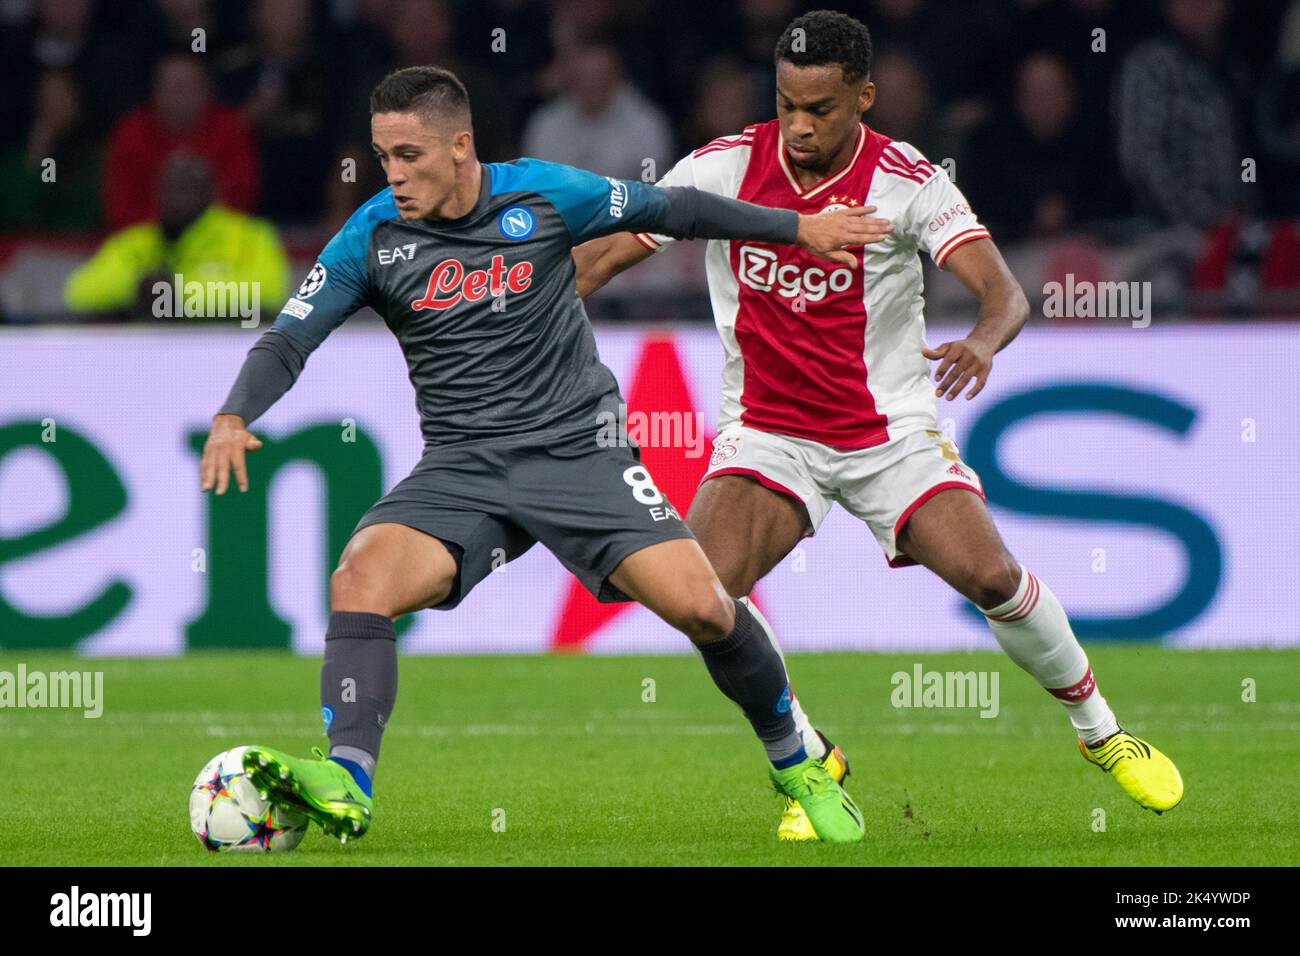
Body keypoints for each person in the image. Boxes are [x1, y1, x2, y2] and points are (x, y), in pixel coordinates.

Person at [198, 65, 892, 845]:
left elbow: (680, 208)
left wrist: (802, 227)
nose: (392, 175)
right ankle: (349, 779)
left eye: (408, 155)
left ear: (460, 147)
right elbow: (291, 336)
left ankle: (797, 756)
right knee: (359, 577)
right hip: (463, 469)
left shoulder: (545, 194)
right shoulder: (373, 236)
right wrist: (234, 413)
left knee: (704, 604)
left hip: (578, 454)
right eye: (382, 155)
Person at [572, 9, 1184, 841]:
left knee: (992, 576)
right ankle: (809, 759)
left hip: (886, 431)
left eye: (819, 108)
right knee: (705, 600)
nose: (798, 125)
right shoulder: (720, 171)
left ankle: (1102, 733)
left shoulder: (909, 181)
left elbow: (1005, 291)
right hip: (767, 433)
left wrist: (981, 339)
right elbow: (602, 258)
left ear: (863, 97)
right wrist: (518, 316)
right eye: (787, 103)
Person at [64, 151, 287, 318]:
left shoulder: (250, 236)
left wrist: (179, 294)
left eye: (187, 187)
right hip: (146, 355)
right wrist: (136, 289)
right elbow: (78, 293)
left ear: (211, 191)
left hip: (223, 351)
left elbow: (269, 289)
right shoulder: (133, 243)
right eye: (169, 186)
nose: (176, 196)